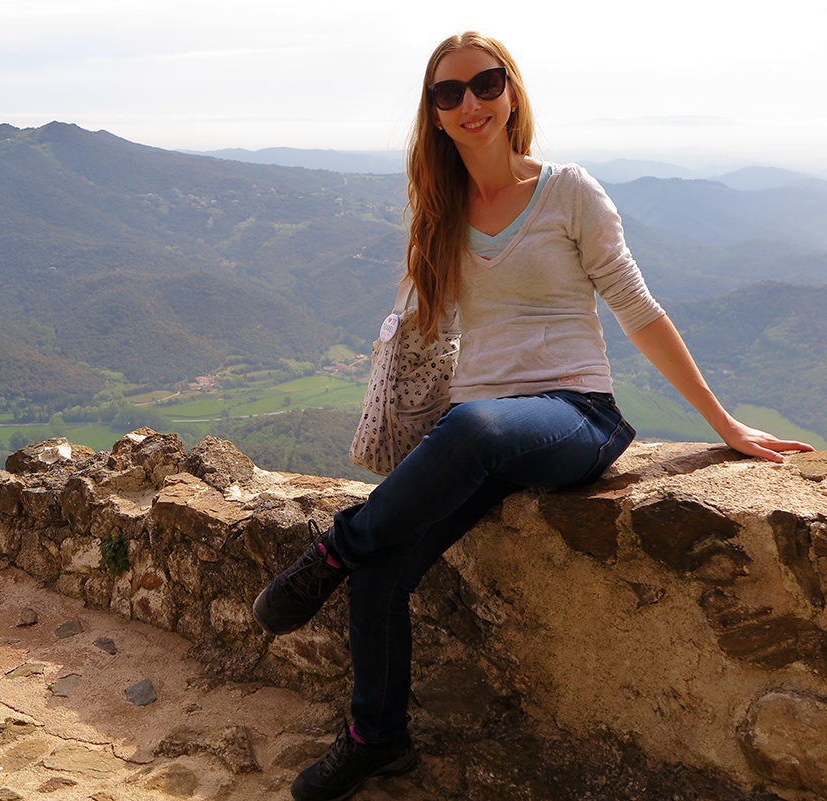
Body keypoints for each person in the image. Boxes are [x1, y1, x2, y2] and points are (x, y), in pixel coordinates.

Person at [252, 30, 814, 801]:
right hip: (477, 428)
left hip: (575, 414)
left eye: (485, 84)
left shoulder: (569, 191)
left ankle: (328, 553)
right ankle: (376, 738)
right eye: (449, 94)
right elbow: (429, 328)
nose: (470, 103)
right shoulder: (440, 209)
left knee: (473, 432)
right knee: (387, 568)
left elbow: (639, 310)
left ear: (511, 92)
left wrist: (723, 424)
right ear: (436, 116)